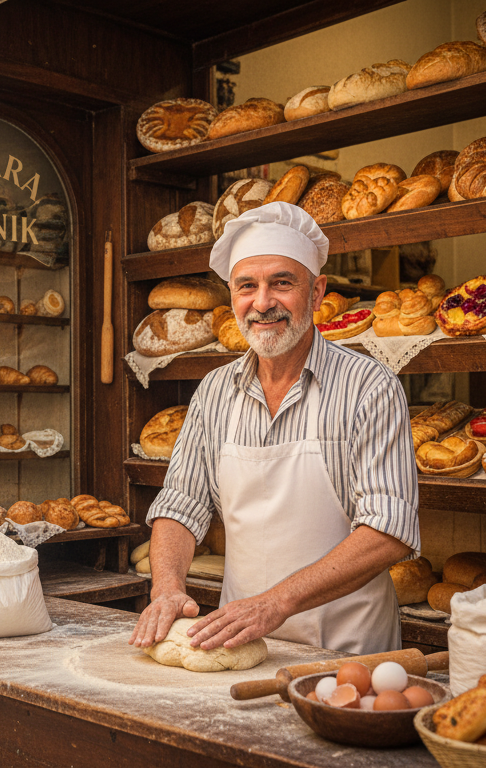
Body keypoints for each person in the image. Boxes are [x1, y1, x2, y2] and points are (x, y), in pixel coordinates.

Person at [129, 202, 419, 656]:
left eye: (281, 283)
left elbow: (388, 532)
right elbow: (181, 505)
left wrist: (275, 603)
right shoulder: (214, 392)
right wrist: (166, 586)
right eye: (247, 286)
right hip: (239, 645)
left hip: (348, 651)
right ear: (233, 299)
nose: (262, 303)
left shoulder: (369, 387)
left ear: (318, 292)